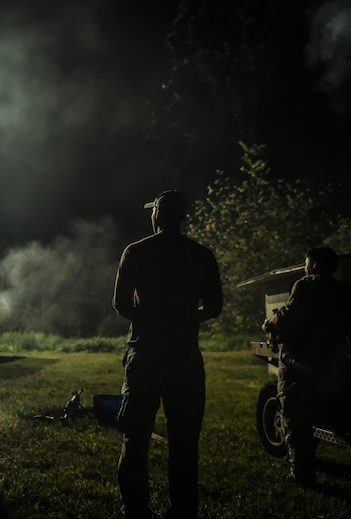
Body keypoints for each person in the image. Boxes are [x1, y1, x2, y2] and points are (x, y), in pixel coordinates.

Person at [112, 189, 223, 519]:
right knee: (185, 441)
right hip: (185, 356)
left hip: (144, 353)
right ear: (182, 218)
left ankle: (135, 509)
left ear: (157, 215)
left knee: (135, 437)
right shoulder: (201, 255)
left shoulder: (136, 251)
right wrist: (186, 317)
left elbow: (120, 304)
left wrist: (149, 318)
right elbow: (214, 307)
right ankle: (182, 511)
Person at [261, 246, 351, 487]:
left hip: (300, 359)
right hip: (332, 360)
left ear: (314, 265)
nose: (305, 267)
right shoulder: (344, 291)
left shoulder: (306, 285)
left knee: (295, 415)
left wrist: (269, 324)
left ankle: (301, 474)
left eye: (306, 263)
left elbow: (287, 315)